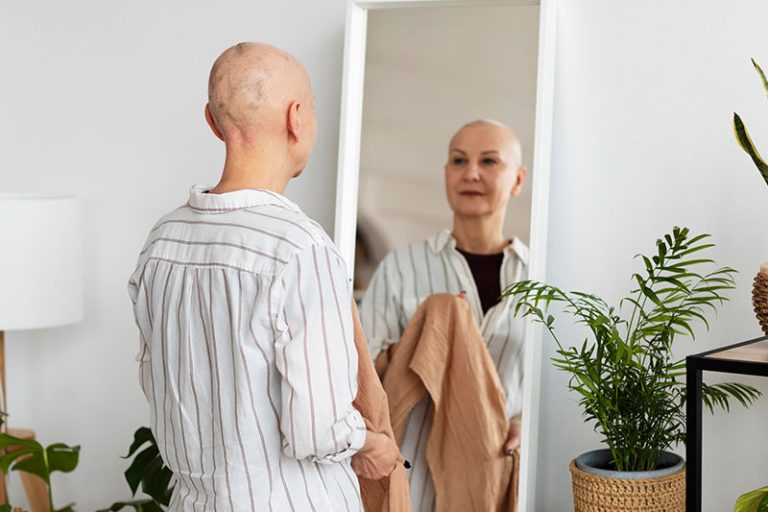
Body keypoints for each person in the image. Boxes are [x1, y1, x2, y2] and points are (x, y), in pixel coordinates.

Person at [127, 42, 401, 511]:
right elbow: (317, 429)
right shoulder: (300, 248)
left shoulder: (163, 240)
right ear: (296, 118)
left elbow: (159, 386)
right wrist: (371, 444)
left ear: (213, 123)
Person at [360, 119, 528, 512]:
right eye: (458, 160)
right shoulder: (401, 266)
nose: (471, 173)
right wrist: (432, 333)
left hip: (498, 474)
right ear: (446, 174)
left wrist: (526, 425)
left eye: (489, 161)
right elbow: (364, 371)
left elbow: (551, 384)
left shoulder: (540, 277)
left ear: (517, 180)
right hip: (413, 474)